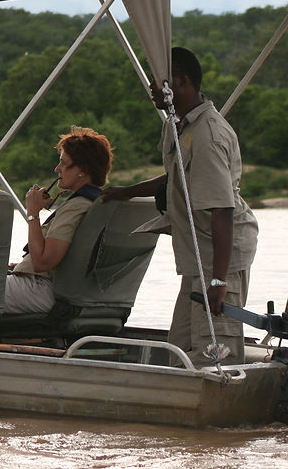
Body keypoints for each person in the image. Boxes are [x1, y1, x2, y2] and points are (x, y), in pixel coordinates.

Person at [102, 47, 258, 366]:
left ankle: (224, 412)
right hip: (197, 255)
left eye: (157, 82)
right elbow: (176, 176)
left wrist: (219, 280)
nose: (150, 88)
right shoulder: (180, 126)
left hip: (218, 256)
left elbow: (222, 210)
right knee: (181, 348)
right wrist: (126, 192)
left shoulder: (207, 135)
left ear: (182, 82)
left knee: (216, 353)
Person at [3, 126, 114, 314]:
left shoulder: (76, 207)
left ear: (83, 169)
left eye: (63, 163)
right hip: (56, 287)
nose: (57, 169)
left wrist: (33, 214)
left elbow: (43, 263)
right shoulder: (95, 203)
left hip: (40, 291)